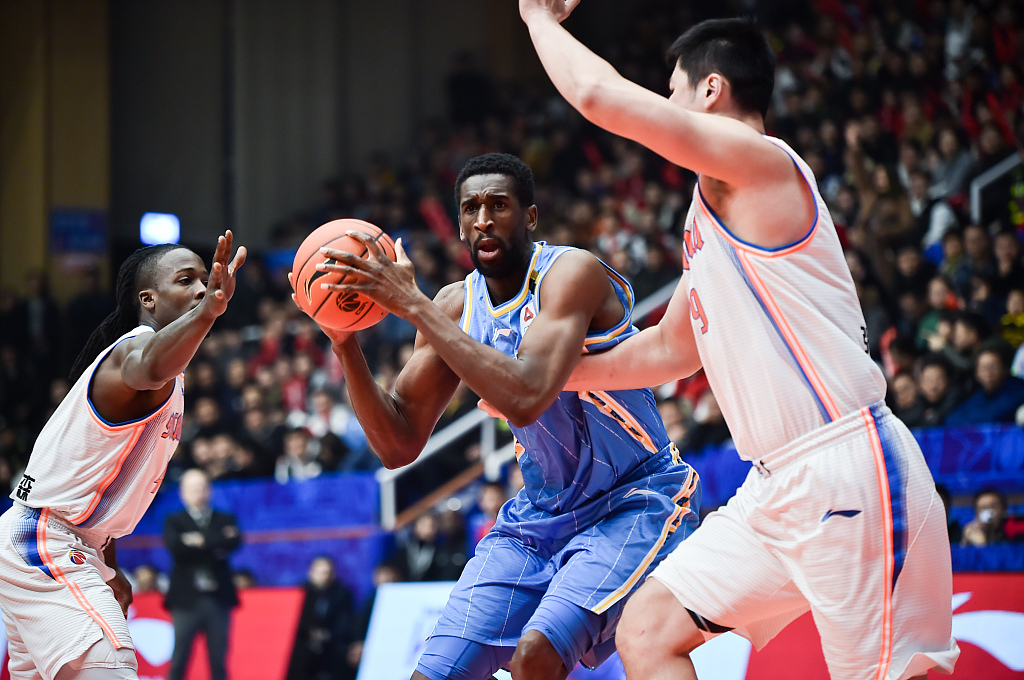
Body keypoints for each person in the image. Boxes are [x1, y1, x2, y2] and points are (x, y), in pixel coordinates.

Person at [517, 5, 958, 680]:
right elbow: (666, 351)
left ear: (711, 89)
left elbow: (597, 95)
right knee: (648, 629)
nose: (666, 104)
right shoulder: (712, 212)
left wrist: (537, 19)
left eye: (672, 90)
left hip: (847, 465)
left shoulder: (760, 164)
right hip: (773, 486)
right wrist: (535, 379)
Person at [291, 152, 700, 680]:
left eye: (498, 205)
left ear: (530, 217)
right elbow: (398, 444)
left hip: (633, 499)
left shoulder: (570, 273)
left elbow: (527, 395)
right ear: (460, 225)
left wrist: (414, 306)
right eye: (471, 209)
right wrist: (344, 343)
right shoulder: (453, 306)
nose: (483, 219)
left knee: (536, 657)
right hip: (539, 514)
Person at [0, 232, 245, 680]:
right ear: (148, 299)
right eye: (186, 280)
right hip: (45, 541)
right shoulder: (134, 350)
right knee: (111, 667)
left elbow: (101, 484)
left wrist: (110, 568)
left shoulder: (168, 371)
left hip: (52, 539)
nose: (201, 289)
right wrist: (210, 310)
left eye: (204, 280)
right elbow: (150, 365)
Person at [163, 468, 242, 680]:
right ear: (182, 493)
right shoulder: (174, 520)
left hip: (218, 598)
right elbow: (177, 549)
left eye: (201, 486)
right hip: (185, 600)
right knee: (179, 660)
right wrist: (215, 543)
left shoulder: (225, 518)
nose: (198, 492)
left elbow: (234, 542)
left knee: (219, 662)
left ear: (209, 490)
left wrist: (197, 541)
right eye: (192, 488)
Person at [286, 556, 356, 680]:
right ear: (310, 572)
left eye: (327, 572)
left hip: (331, 646)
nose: (324, 576)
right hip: (303, 644)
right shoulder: (300, 591)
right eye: (320, 572)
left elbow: (344, 624)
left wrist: (326, 635)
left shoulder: (341, 593)